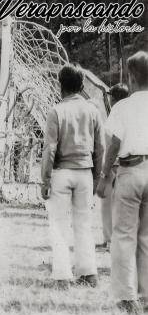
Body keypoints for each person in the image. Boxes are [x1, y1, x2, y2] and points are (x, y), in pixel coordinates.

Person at [41, 64, 105, 290]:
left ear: (61, 87)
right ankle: (89, 274)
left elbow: (49, 149)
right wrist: (96, 178)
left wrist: (45, 179)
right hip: (85, 172)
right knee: (84, 225)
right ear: (81, 86)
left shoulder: (56, 111)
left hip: (61, 172)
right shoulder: (93, 111)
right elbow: (101, 148)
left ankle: (62, 276)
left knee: (59, 225)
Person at [97, 51, 148, 314]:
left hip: (131, 170)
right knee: (146, 236)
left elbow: (113, 144)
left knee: (124, 235)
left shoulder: (122, 106)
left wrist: (105, 176)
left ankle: (126, 297)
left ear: (131, 76)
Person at [96, 83, 129, 251]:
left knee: (109, 205)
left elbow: (112, 143)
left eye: (111, 97)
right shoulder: (128, 112)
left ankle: (110, 241)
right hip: (122, 165)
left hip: (114, 165)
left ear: (116, 99)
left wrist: (104, 170)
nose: (109, 100)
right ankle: (108, 239)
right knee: (111, 206)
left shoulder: (117, 113)